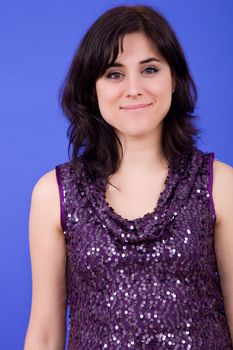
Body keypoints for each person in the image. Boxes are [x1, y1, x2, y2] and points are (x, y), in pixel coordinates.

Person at [24, 4, 233, 350]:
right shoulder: (53, 194)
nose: (133, 88)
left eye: (150, 69)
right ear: (92, 88)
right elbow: (45, 335)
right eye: (114, 74)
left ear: (174, 78)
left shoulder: (220, 185)